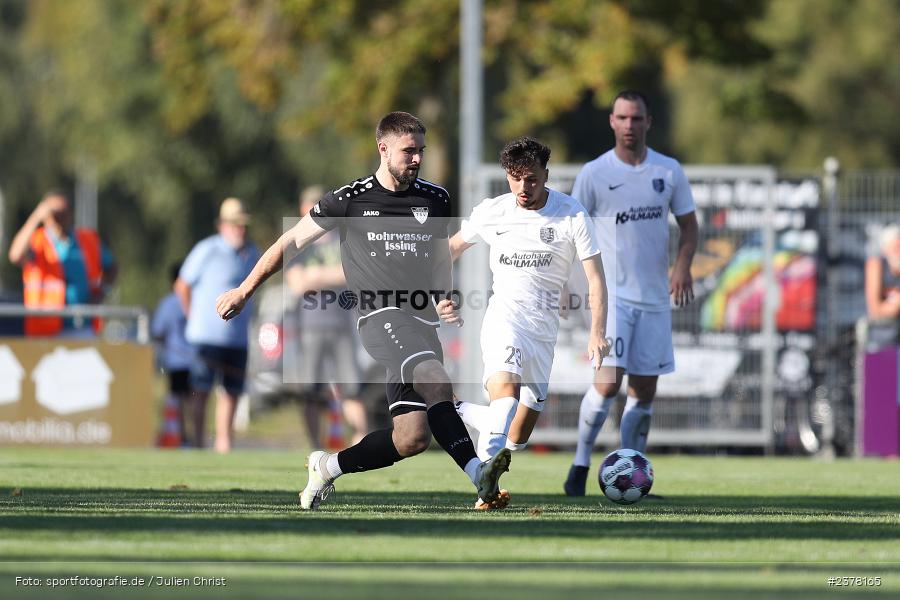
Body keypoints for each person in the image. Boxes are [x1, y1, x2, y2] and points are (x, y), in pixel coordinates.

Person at [216, 111, 510, 510]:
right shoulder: (349, 199)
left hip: (422, 324)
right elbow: (292, 242)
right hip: (380, 317)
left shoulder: (436, 198)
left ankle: (327, 466)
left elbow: (439, 257)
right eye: (409, 151)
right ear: (383, 148)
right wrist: (246, 289)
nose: (417, 159)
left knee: (411, 438)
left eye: (421, 151)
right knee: (436, 380)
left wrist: (445, 294)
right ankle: (480, 475)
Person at [450, 137, 611, 508]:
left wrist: (597, 331)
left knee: (517, 436)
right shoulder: (494, 211)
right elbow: (451, 249)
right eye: (516, 178)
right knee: (505, 395)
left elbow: (596, 278)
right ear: (508, 176)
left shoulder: (571, 214)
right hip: (504, 317)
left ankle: (453, 409)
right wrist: (435, 290)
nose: (524, 187)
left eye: (533, 179)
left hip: (544, 329)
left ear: (546, 176)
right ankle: (485, 485)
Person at [564, 90, 698, 496]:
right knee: (606, 385)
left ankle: (631, 472)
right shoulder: (594, 173)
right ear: (611, 122)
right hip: (612, 297)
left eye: (636, 119)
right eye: (622, 118)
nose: (629, 125)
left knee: (643, 393)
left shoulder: (668, 170)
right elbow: (571, 230)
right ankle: (581, 464)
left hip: (654, 299)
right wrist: (568, 284)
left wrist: (682, 267)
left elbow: (690, 228)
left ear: (647, 123)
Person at [284, 185, 369, 446]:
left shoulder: (343, 240)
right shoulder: (297, 245)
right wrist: (331, 274)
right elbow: (297, 285)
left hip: (342, 326)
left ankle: (361, 442)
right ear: (302, 209)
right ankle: (314, 447)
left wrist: (316, 276)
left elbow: (353, 274)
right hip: (310, 328)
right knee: (310, 392)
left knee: (352, 389)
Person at [176, 198, 260, 453]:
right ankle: (200, 443)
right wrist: (193, 317)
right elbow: (182, 285)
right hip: (205, 337)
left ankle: (224, 444)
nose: (240, 230)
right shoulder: (207, 249)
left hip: (237, 338)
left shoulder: (253, 252)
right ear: (222, 225)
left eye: (243, 225)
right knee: (200, 392)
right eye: (235, 224)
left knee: (231, 394)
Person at [8, 189, 117, 337]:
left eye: (63, 211)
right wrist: (37, 216)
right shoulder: (38, 240)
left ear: (71, 212)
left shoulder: (87, 239)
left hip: (82, 326)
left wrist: (101, 292)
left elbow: (112, 267)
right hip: (44, 328)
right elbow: (15, 255)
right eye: (54, 212)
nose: (59, 216)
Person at [151, 262, 194, 446]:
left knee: (178, 401)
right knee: (194, 401)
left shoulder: (168, 304)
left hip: (176, 361)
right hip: (196, 359)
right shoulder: (197, 299)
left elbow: (158, 332)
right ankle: (194, 438)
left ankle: (183, 438)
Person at [863, 224, 900, 350]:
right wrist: (893, 307)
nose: (898, 252)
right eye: (895, 247)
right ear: (885, 249)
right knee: (880, 367)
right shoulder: (876, 265)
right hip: (880, 342)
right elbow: (875, 310)